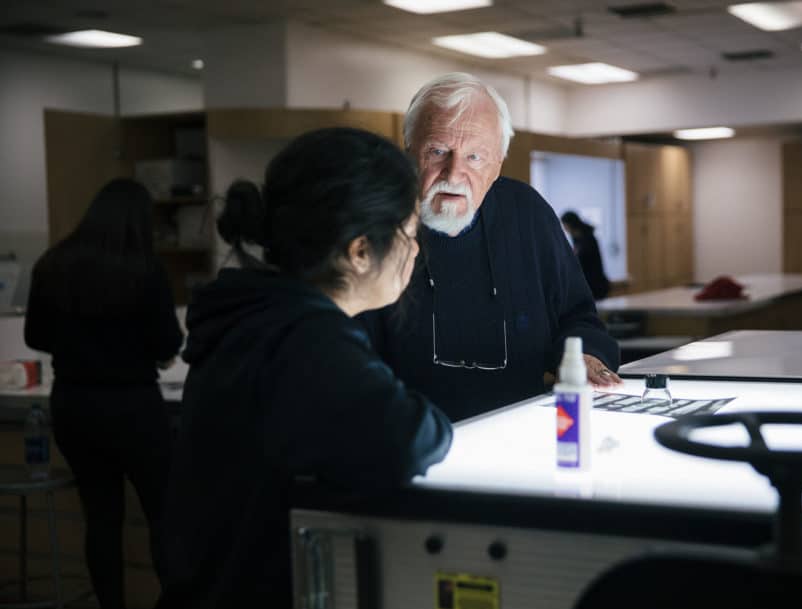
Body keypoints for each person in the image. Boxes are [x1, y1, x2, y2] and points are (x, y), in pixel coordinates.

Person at [156, 128, 452, 609]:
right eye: (410, 234)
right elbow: (411, 438)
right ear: (359, 252)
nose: (416, 251)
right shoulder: (307, 340)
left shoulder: (250, 316)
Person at [361, 73, 621, 422]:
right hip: (405, 447)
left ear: (498, 163)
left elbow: (578, 317)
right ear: (408, 150)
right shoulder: (376, 223)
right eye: (437, 152)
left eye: (475, 157)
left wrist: (585, 357)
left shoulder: (527, 214)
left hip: (519, 438)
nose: (454, 174)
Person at [24, 178, 183, 609]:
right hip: (132, 407)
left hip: (75, 407)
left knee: (101, 517)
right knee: (163, 516)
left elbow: (35, 334)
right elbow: (168, 343)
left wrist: (80, 345)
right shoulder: (145, 270)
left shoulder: (53, 264)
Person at [560, 210, 611, 300]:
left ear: (570, 224)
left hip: (595, 285)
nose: (564, 228)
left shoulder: (587, 239)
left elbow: (582, 262)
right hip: (589, 284)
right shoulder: (577, 239)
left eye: (565, 225)